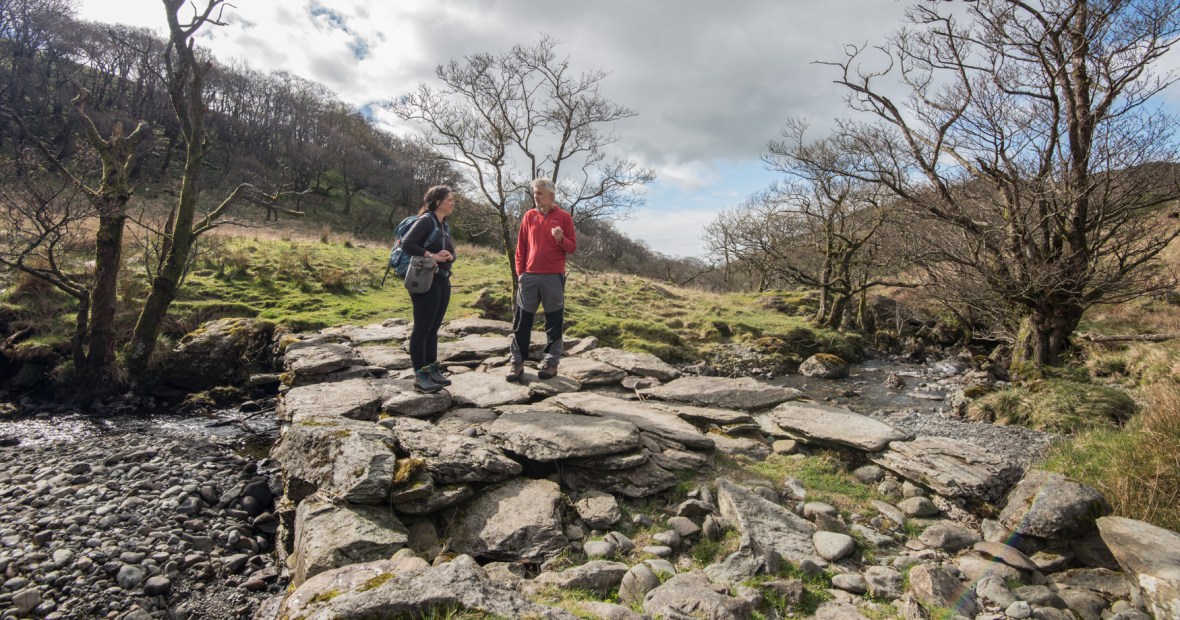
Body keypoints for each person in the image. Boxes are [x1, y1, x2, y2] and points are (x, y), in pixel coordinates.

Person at [507, 178, 577, 382]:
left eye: (539, 193)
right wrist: (521, 273)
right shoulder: (529, 216)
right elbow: (521, 248)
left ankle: (550, 363)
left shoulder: (564, 217)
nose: (535, 197)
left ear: (551, 195)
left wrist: (560, 239)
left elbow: (571, 247)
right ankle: (517, 363)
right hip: (528, 277)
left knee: (553, 322)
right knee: (522, 322)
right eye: (534, 193)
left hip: (553, 277)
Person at [402, 185, 456, 393]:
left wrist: (449, 257)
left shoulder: (444, 225)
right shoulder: (426, 221)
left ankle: (432, 369)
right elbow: (407, 244)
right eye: (449, 199)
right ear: (437, 201)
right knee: (422, 328)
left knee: (433, 328)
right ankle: (419, 376)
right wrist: (431, 256)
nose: (452, 203)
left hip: (442, 279)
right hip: (425, 280)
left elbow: (451, 252)